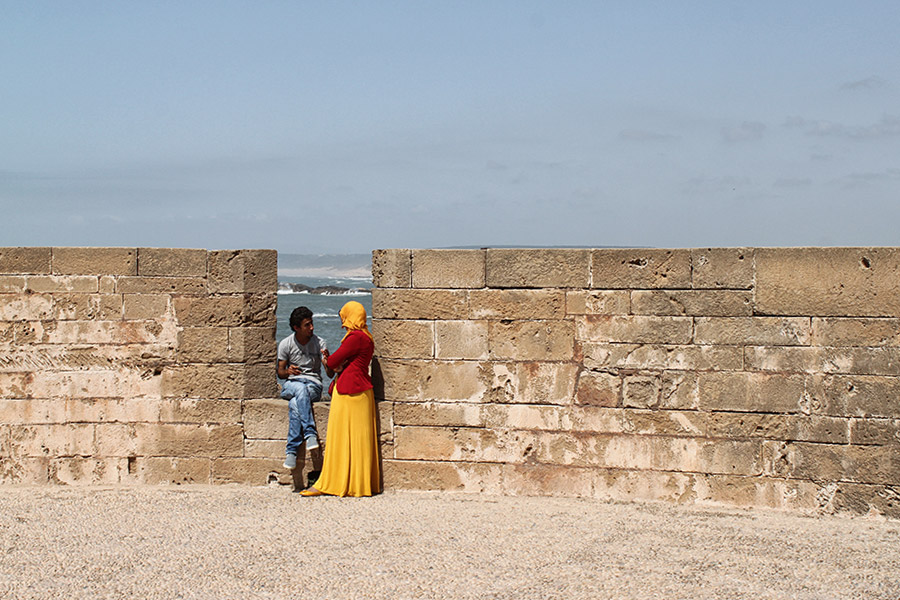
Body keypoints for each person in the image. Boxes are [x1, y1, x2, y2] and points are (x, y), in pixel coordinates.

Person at [300, 301, 381, 497]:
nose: (342, 322)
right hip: (362, 392)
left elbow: (334, 361)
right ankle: (359, 484)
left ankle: (334, 482)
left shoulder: (355, 337)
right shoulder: (367, 337)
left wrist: (329, 360)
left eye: (344, 317)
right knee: (359, 441)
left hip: (349, 392)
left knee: (340, 440)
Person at [276, 306, 332, 470]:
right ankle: (310, 433)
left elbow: (329, 374)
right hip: (292, 384)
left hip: (313, 385)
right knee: (299, 389)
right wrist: (288, 371)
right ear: (296, 327)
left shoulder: (319, 343)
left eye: (312, 323)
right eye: (307, 325)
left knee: (295, 403)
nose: (312, 328)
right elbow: (280, 372)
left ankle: (291, 451)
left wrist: (327, 363)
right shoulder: (286, 344)